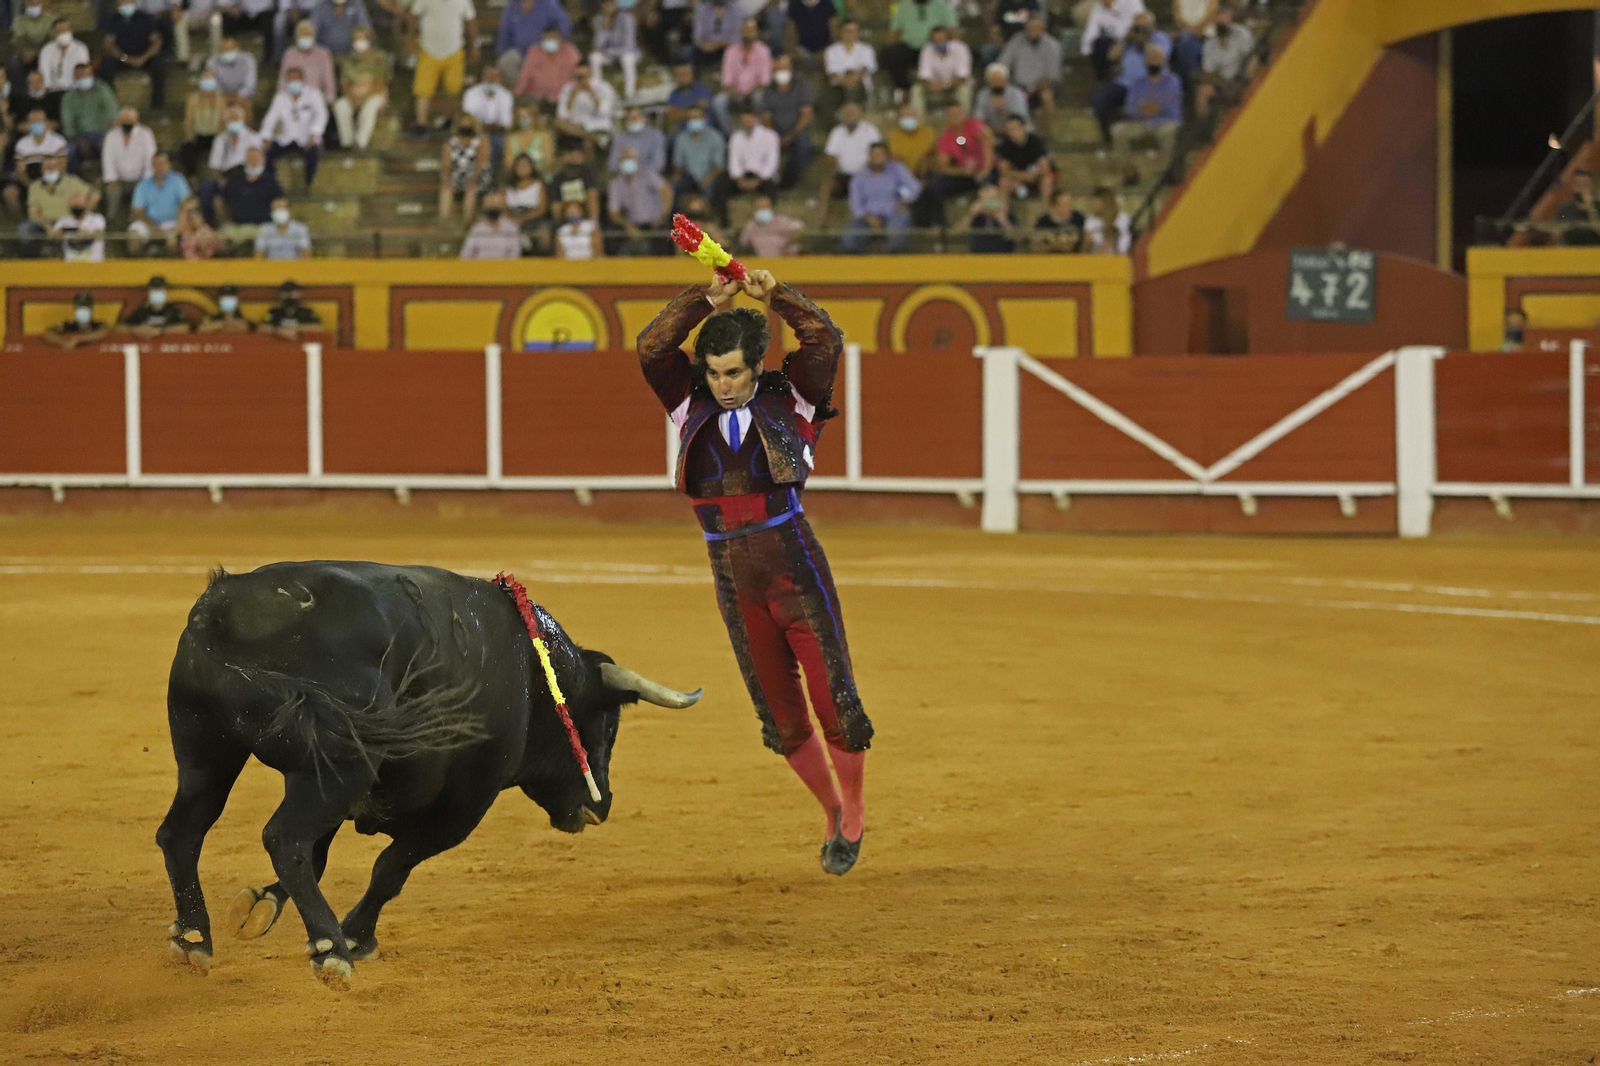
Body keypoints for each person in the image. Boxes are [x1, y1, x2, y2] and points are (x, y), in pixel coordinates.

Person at [636, 265, 872, 875]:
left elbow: (825, 339)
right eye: (714, 373)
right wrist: (702, 300)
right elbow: (652, 346)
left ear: (757, 366)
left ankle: (854, 807)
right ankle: (829, 810)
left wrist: (779, 296)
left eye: (735, 371)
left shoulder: (790, 394)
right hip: (731, 576)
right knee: (782, 715)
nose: (724, 385)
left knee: (833, 699)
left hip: (792, 561)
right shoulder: (688, 400)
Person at [408, 0, 479, 135]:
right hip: (428, 49)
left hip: (454, 49)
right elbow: (412, 15)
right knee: (423, 89)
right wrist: (412, 39)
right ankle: (421, 123)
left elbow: (470, 20)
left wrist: (474, 44)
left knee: (454, 88)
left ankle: (450, 120)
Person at [842, 141, 919, 253]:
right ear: (869, 157)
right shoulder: (859, 177)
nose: (877, 158)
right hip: (868, 216)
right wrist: (870, 218)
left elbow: (914, 187)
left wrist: (904, 201)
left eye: (880, 155)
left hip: (894, 212)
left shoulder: (897, 169)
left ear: (887, 156)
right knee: (850, 240)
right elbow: (855, 204)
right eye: (874, 155)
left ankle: (896, 260)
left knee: (896, 232)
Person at [261, 68, 327, 189]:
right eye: (291, 79)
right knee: (266, 153)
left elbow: (321, 115)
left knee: (313, 153)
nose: (294, 82)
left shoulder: (313, 94)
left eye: (296, 79)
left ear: (303, 80)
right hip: (286, 138)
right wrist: (266, 136)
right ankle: (272, 185)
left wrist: (314, 133)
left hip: (307, 138)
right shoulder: (280, 97)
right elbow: (270, 118)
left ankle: (309, 185)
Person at [713, 107, 778, 226]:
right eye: (745, 118)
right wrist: (739, 179)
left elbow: (771, 162)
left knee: (771, 188)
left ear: (757, 118)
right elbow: (734, 160)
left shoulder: (770, 136)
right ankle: (724, 223)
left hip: (762, 177)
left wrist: (759, 180)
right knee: (721, 185)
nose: (747, 121)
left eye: (750, 118)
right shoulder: (736, 137)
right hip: (742, 177)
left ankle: (768, 222)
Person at [879, 0, 958, 96]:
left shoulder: (941, 5)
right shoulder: (904, 5)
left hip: (934, 48)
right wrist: (888, 44)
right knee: (889, 54)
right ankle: (906, 89)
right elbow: (895, 30)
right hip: (910, 48)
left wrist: (955, 47)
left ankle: (944, 87)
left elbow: (953, 29)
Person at [333, 26, 393, 151]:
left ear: (369, 40)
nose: (359, 42)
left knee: (369, 108)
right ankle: (347, 143)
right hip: (354, 94)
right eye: (356, 39)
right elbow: (344, 84)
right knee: (341, 106)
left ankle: (360, 143)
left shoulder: (379, 58)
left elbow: (381, 83)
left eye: (362, 39)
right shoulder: (348, 60)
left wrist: (364, 97)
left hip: (374, 94)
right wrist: (353, 97)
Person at [1113, 43, 1181, 153]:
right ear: (1145, 61)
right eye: (1151, 58)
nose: (1154, 62)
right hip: (1142, 122)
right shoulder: (1137, 83)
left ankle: (1166, 168)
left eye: (1157, 59)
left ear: (1164, 61)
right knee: (1118, 130)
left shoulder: (1172, 81)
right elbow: (1129, 106)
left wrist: (1151, 107)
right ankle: (1126, 168)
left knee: (1168, 132)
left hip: (1166, 122)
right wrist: (1142, 110)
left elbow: (1167, 104)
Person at [100, 2, 168, 109]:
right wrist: (125, 58)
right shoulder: (113, 19)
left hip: (144, 58)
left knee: (159, 63)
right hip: (122, 59)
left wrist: (144, 58)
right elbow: (109, 44)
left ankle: (157, 103)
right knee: (106, 63)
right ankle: (111, 102)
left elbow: (156, 41)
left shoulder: (146, 18)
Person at [998, 13, 1060, 128]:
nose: (1032, 31)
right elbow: (1002, 65)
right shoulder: (1016, 40)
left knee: (1047, 97)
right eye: (1030, 28)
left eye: (1036, 28)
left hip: (1042, 86)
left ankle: (1046, 136)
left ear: (1043, 29)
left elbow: (1052, 77)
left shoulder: (1052, 45)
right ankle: (1010, 133)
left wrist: (1031, 89)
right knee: (1001, 95)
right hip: (1018, 85)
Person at [763, 54, 813, 189]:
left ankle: (787, 184)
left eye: (785, 68)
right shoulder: (768, 89)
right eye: (778, 69)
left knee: (803, 146)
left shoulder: (801, 86)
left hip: (796, 130)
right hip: (775, 130)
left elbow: (807, 114)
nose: (782, 72)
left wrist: (791, 135)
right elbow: (766, 116)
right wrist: (774, 135)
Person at [607, 145, 670, 254]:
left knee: (665, 234)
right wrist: (627, 226)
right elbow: (614, 213)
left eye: (630, 159)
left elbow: (666, 191)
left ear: (636, 160)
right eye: (624, 159)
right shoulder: (616, 184)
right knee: (612, 233)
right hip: (631, 225)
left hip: (654, 223)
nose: (628, 162)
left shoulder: (648, 175)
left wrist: (663, 214)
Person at [495, 0, 571, 87]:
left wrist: (555, 42)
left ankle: (539, 90)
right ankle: (522, 91)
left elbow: (564, 25)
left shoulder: (549, 4)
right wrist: (500, 53)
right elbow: (505, 33)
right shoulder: (512, 6)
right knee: (506, 61)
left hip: (543, 52)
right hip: (519, 52)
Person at [101, 107, 157, 223]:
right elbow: (107, 159)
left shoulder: (146, 134)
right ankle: (112, 222)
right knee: (112, 191)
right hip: (119, 180)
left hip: (140, 179)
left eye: (130, 120)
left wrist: (145, 181)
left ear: (136, 120)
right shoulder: (112, 135)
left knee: (145, 191)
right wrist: (112, 179)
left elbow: (150, 159)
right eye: (124, 120)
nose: (127, 123)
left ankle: (138, 220)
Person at [820, 101, 879, 211]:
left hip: (865, 174)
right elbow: (830, 156)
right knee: (827, 183)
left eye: (852, 113)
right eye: (846, 114)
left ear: (859, 114)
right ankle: (822, 221)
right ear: (841, 117)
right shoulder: (837, 132)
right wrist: (833, 167)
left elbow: (877, 153)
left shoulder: (870, 130)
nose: (849, 116)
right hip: (844, 175)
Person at [129, 151, 192, 253]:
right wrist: (153, 227)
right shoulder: (143, 185)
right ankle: (135, 266)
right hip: (150, 224)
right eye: (156, 164)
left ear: (169, 165)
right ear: (152, 166)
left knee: (174, 240)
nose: (160, 167)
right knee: (133, 235)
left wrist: (179, 225)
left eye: (163, 164)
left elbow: (186, 204)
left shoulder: (178, 180)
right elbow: (137, 211)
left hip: (173, 223)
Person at [219, 146, 284, 245]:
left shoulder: (271, 182)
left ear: (263, 161)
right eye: (250, 158)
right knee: (220, 238)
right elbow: (222, 201)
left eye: (256, 158)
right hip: (237, 227)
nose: (253, 161)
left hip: (262, 226)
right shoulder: (235, 181)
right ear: (245, 161)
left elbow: (280, 204)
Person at [715, 17, 770, 132]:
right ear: (739, 31)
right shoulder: (730, 51)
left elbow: (764, 81)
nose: (748, 33)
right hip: (735, 93)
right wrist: (735, 93)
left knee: (759, 98)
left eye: (751, 30)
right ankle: (731, 135)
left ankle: (758, 133)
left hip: (754, 92)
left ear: (756, 32)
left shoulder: (763, 51)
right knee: (718, 102)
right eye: (746, 29)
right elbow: (726, 81)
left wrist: (749, 94)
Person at [60, 64, 118, 164]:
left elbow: (113, 116)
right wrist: (79, 141)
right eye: (80, 76)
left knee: (110, 147)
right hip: (80, 136)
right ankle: (73, 178)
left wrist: (108, 137)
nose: (83, 78)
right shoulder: (68, 98)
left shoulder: (103, 90)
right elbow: (68, 125)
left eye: (86, 75)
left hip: (103, 134)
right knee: (69, 151)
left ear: (92, 76)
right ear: (75, 78)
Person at [555, 62, 619, 151]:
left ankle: (590, 138)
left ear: (590, 73)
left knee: (588, 139)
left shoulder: (604, 88)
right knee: (559, 123)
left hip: (596, 123)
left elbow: (604, 112)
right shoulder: (568, 89)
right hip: (575, 126)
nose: (580, 80)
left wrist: (592, 94)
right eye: (578, 77)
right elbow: (562, 114)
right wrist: (572, 96)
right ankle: (590, 136)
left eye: (583, 76)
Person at [439, 113, 491, 222]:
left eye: (468, 124)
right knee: (446, 187)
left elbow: (483, 161)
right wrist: (446, 178)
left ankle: (467, 220)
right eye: (463, 124)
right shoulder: (450, 142)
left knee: (470, 187)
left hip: (478, 175)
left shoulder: (481, 140)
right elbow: (446, 165)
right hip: (457, 175)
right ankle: (444, 220)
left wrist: (474, 177)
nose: (465, 127)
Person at [462, 64, 513, 172]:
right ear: (482, 78)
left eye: (494, 77)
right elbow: (469, 121)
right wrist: (487, 127)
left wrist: (487, 127)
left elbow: (505, 124)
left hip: (498, 134)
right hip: (474, 133)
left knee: (500, 142)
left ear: (500, 79)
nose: (491, 79)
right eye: (488, 76)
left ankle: (495, 175)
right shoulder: (471, 94)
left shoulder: (506, 95)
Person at [671, 103, 725, 200]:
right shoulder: (681, 138)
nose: (694, 121)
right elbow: (678, 165)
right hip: (688, 177)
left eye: (696, 117)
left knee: (714, 188)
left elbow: (718, 166)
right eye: (690, 118)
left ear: (704, 119)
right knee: (674, 187)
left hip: (709, 176)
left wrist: (707, 179)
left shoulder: (715, 137)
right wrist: (677, 176)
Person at [992, 112, 1050, 202]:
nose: (1012, 132)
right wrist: (1025, 176)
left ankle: (1046, 209)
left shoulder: (1036, 142)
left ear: (1024, 127)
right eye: (1009, 129)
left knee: (1047, 180)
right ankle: (1003, 212)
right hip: (1016, 182)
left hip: (1035, 179)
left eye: (1014, 128)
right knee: (1003, 183)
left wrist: (1033, 176)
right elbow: (1004, 172)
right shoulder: (1003, 147)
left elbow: (1044, 167)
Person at [914, 24, 971, 117]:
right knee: (916, 90)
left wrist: (945, 84)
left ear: (948, 38)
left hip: (955, 86)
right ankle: (920, 123)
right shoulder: (927, 49)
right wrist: (931, 84)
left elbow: (963, 78)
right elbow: (923, 77)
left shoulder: (960, 48)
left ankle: (964, 122)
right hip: (935, 87)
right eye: (936, 40)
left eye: (941, 39)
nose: (939, 42)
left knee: (964, 90)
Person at [1083, 0, 1145, 83]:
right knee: (1099, 43)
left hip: (1133, 39)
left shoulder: (1132, 2)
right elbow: (1091, 30)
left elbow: (1141, 25)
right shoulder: (1098, 7)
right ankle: (1104, 80)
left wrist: (1124, 41)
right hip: (1113, 41)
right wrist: (1086, 51)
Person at [590, 0, 639, 103]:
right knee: (594, 57)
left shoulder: (626, 18)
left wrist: (608, 51)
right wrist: (605, 28)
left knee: (627, 59)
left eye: (610, 4)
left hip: (627, 52)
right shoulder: (599, 19)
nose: (608, 7)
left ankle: (629, 94)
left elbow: (628, 46)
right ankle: (598, 91)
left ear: (615, 5)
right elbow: (597, 46)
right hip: (610, 53)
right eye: (605, 4)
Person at [822, 18, 874, 116]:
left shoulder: (867, 49)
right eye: (848, 31)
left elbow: (866, 67)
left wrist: (854, 78)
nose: (851, 34)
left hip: (860, 86)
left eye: (854, 31)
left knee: (854, 88)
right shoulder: (831, 51)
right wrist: (845, 80)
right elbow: (832, 72)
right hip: (838, 87)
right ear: (841, 32)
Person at [179, 69, 226, 176]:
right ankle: (191, 176)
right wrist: (190, 136)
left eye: (210, 79)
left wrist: (219, 137)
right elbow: (188, 121)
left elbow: (223, 123)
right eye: (205, 79)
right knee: (187, 148)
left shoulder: (221, 100)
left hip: (215, 135)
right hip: (198, 135)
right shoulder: (193, 99)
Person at [517, 25, 581, 104]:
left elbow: (579, 71)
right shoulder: (534, 51)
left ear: (559, 38)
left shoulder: (570, 51)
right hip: (537, 97)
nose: (550, 40)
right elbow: (526, 73)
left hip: (564, 98)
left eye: (553, 38)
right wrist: (518, 92)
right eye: (547, 38)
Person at [279, 20, 338, 105]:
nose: (304, 37)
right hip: (293, 101)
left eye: (307, 35)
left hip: (317, 101)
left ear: (314, 36)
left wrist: (326, 102)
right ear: (296, 37)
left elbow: (329, 83)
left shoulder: (323, 54)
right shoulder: (289, 54)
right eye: (302, 35)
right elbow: (282, 82)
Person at [117, 275, 192, 335]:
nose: (157, 292)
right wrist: (137, 330)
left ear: (165, 292)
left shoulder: (173, 311)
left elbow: (185, 328)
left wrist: (161, 331)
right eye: (154, 289)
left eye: (159, 289)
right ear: (149, 292)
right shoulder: (142, 312)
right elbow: (120, 328)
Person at [503, 152, 547, 252]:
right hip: (511, 219)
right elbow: (503, 207)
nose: (523, 167)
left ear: (531, 167)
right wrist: (512, 218)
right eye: (520, 165)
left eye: (526, 165)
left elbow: (542, 209)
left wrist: (522, 218)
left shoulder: (538, 185)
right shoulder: (508, 187)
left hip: (532, 219)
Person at [549, 139, 600, 221]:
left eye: (578, 155)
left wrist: (592, 223)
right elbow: (556, 205)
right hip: (565, 218)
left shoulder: (588, 175)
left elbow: (593, 199)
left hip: (584, 217)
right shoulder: (557, 178)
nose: (574, 158)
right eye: (571, 154)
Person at [205, 36, 258, 113]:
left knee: (243, 103)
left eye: (230, 49)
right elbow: (213, 83)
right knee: (214, 102)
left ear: (237, 48)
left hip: (242, 96)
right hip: (222, 96)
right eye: (224, 50)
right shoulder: (212, 61)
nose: (227, 52)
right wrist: (222, 96)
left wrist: (238, 97)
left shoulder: (248, 60)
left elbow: (250, 85)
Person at [458, 192, 521, 257]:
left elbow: (515, 254)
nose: (493, 209)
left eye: (496, 206)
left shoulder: (511, 228)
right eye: (490, 206)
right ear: (484, 207)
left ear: (502, 207)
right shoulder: (477, 229)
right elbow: (465, 254)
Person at [609, 105, 667, 176]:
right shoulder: (620, 138)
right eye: (630, 118)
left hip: (649, 177)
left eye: (636, 117)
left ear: (644, 118)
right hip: (624, 177)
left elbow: (659, 164)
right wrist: (622, 158)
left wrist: (638, 170)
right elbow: (612, 165)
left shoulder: (655, 136)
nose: (633, 120)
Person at [50, 190, 107, 261]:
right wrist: (65, 231)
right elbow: (52, 234)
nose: (77, 209)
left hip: (94, 264)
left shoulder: (97, 218)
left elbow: (100, 233)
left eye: (79, 206)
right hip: (71, 265)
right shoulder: (64, 221)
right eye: (74, 206)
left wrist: (89, 234)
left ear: (85, 205)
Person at [42, 292, 111, 349]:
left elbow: (104, 331)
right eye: (80, 307)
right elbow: (48, 333)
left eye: (86, 306)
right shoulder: (69, 325)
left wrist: (79, 339)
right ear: (75, 309)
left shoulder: (97, 325)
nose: (83, 310)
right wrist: (63, 342)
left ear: (91, 309)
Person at [39, 19, 90, 95]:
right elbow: (44, 74)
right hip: (53, 92)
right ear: (54, 33)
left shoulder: (80, 49)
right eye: (60, 31)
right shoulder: (46, 50)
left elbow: (83, 73)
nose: (63, 33)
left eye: (66, 30)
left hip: (74, 91)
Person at [691, 0, 742, 73]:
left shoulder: (737, 10)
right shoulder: (702, 10)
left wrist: (717, 44)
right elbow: (696, 36)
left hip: (727, 48)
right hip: (705, 48)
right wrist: (704, 45)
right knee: (691, 53)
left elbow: (737, 39)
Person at [505, 103, 553, 177]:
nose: (524, 119)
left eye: (527, 116)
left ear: (534, 117)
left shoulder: (544, 137)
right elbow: (508, 164)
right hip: (517, 178)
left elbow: (548, 163)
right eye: (521, 117)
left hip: (540, 177)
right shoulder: (511, 138)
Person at [964, 183, 1014, 253]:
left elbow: (1016, 238)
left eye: (992, 201)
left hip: (1001, 258)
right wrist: (971, 215)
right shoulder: (977, 218)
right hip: (977, 258)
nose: (988, 206)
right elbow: (957, 234)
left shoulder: (1008, 215)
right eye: (985, 201)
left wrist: (1003, 220)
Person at [887, 101, 934, 176]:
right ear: (900, 119)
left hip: (925, 172)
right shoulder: (894, 136)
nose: (908, 120)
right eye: (905, 117)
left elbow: (931, 152)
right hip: (902, 174)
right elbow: (894, 157)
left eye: (911, 116)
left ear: (916, 118)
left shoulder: (927, 133)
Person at [664, 61, 712, 132]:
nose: (683, 78)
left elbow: (701, 108)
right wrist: (689, 112)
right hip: (683, 130)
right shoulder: (674, 94)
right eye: (679, 75)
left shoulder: (701, 88)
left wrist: (680, 112)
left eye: (685, 74)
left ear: (692, 75)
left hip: (704, 127)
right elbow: (671, 115)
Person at [1033, 188, 1085, 252]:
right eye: (1064, 204)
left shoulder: (1078, 218)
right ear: (1054, 206)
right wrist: (1057, 246)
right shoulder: (1043, 221)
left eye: (1069, 203)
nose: (1069, 207)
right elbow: (1036, 246)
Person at [1556, 169, 1600, 246]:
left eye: (1585, 185)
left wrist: (1591, 209)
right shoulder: (1564, 208)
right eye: (1578, 184)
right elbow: (1557, 235)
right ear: (1573, 186)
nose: (1582, 188)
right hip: (1572, 251)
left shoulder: (1597, 207)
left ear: (1592, 186)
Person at [1084, 187, 1130, 253]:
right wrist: (1088, 242)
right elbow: (1086, 248)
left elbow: (1123, 239)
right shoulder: (1091, 220)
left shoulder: (1122, 218)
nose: (1094, 205)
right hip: (1095, 258)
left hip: (1118, 257)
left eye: (1096, 201)